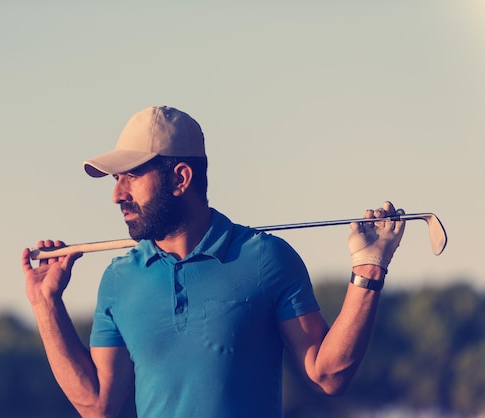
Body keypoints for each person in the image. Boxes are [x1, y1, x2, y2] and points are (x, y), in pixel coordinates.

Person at [22, 106, 405, 418]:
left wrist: (368, 268)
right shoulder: (118, 280)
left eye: (131, 177)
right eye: (115, 180)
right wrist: (45, 303)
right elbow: (97, 406)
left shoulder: (265, 258)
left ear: (180, 178)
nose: (117, 195)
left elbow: (329, 376)